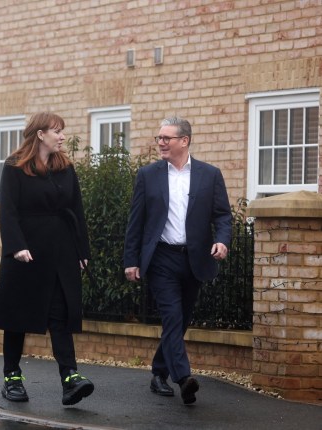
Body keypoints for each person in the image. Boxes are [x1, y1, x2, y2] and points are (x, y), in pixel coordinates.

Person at [123, 116, 232, 405]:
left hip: (194, 259)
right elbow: (137, 221)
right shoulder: (148, 175)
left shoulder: (210, 175)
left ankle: (159, 371)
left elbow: (222, 215)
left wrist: (222, 240)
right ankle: (183, 378)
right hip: (161, 258)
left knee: (181, 320)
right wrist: (130, 260)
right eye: (158, 138)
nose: (160, 142)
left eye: (166, 138)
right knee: (172, 316)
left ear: (184, 141)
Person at [0, 111, 94, 406]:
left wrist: (82, 251)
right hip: (27, 253)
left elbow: (77, 210)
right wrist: (16, 246)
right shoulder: (15, 167)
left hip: (61, 249)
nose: (62, 136)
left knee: (60, 314)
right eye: (56, 131)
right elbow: (7, 210)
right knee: (18, 316)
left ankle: (70, 377)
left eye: (62, 131)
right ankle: (12, 377)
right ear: (40, 134)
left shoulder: (65, 167)